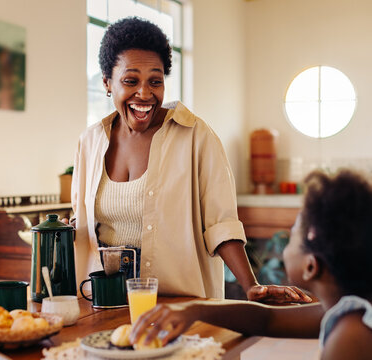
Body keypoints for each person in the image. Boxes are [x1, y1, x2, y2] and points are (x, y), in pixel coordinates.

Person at [68, 16, 310, 303]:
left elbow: (222, 225)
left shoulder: (196, 137)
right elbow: (83, 221)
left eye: (155, 81)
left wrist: (250, 285)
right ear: (108, 83)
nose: (144, 93)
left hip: (179, 306)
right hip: (105, 301)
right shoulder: (90, 143)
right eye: (130, 81)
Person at [131, 168, 372, 360]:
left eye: (293, 234)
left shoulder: (354, 336)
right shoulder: (371, 305)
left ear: (311, 266)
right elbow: (269, 321)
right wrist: (194, 310)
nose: (287, 240)